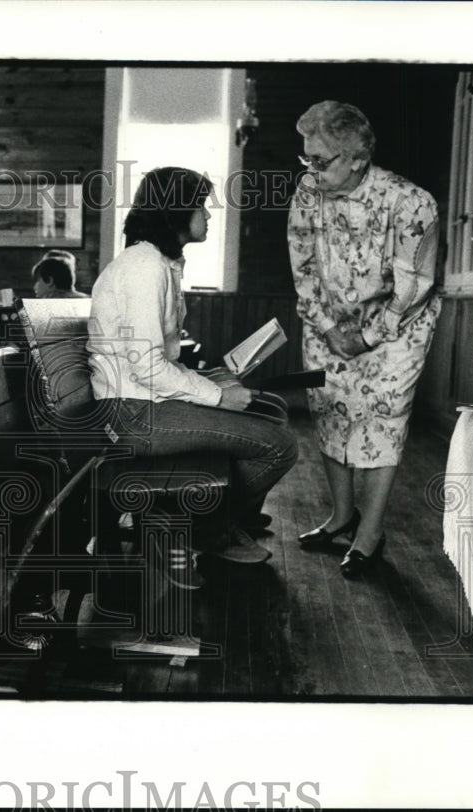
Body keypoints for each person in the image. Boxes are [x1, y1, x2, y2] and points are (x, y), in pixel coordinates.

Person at [87, 167, 298, 571]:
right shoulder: (143, 267)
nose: (208, 215)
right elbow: (146, 366)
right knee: (281, 446)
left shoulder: (159, 262)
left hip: (141, 400)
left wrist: (208, 380)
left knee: (269, 408)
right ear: (176, 210)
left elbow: (153, 360)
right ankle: (203, 530)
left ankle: (214, 522)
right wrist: (217, 395)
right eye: (201, 205)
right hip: (132, 413)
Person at [287, 101, 441, 579]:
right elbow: (303, 267)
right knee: (330, 410)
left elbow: (414, 286)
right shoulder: (308, 191)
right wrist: (330, 328)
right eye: (306, 157)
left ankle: (369, 534)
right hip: (329, 325)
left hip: (398, 329)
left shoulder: (412, 202)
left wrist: (367, 335)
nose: (312, 169)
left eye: (322, 160)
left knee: (380, 420)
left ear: (357, 157)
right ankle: (340, 517)